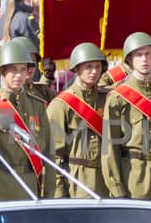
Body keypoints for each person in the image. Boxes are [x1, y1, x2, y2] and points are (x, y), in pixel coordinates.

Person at [100, 32, 151, 207]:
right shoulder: (118, 97)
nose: (144, 59)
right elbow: (110, 147)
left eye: (148, 54)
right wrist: (117, 188)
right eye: (138, 55)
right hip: (133, 178)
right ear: (129, 60)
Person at [0, 40, 50, 201]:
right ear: (2, 71)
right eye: (14, 70)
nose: (19, 75)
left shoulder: (37, 104)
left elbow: (48, 151)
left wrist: (48, 192)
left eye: (23, 70)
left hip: (28, 183)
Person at [46, 43, 110, 199]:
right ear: (76, 68)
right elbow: (54, 155)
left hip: (107, 181)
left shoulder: (108, 99)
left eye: (97, 66)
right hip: (77, 182)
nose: (94, 71)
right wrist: (59, 195)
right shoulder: (61, 104)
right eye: (88, 67)